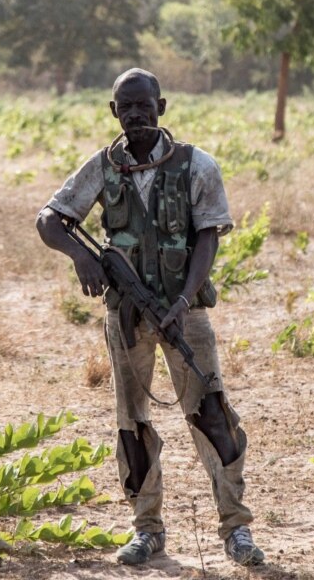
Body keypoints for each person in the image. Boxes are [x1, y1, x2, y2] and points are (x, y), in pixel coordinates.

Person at [35, 68, 264, 567]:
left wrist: (181, 304)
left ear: (163, 107)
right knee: (131, 424)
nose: (136, 114)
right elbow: (49, 220)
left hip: (187, 314)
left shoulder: (196, 165)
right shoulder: (102, 166)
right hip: (126, 318)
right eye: (126, 106)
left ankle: (236, 530)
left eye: (145, 105)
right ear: (113, 112)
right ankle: (147, 529)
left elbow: (208, 238)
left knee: (214, 417)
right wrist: (83, 258)